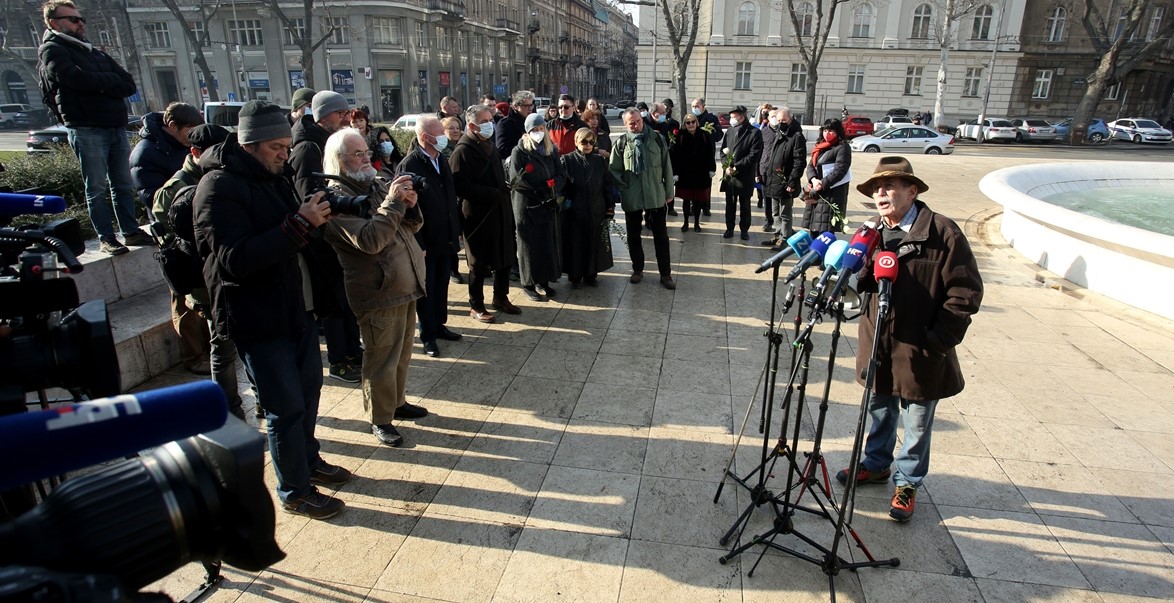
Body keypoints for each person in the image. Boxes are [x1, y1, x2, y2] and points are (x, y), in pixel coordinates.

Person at [192, 100, 352, 520]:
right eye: (277, 147)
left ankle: (309, 461)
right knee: (284, 407)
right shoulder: (218, 186)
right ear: (249, 145)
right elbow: (233, 258)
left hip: (294, 307)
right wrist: (299, 223)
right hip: (256, 317)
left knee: (309, 394)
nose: (286, 153)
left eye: (286, 145)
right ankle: (295, 491)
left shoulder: (273, 176)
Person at [837, 156, 983, 522]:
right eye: (875, 189)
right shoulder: (871, 231)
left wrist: (937, 340)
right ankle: (876, 464)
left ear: (912, 191)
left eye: (888, 187)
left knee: (917, 420)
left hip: (921, 348)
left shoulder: (943, 233)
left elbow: (965, 293)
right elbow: (863, 282)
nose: (880, 194)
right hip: (879, 343)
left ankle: (907, 482)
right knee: (880, 408)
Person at [321, 129, 429, 447]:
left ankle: (396, 403)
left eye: (367, 152)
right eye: (358, 154)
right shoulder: (334, 200)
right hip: (377, 291)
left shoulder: (376, 183)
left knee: (402, 354)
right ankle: (379, 419)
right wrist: (394, 203)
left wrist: (410, 205)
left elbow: (411, 225)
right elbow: (370, 240)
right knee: (380, 358)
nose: (367, 158)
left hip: (404, 283)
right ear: (338, 161)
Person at [39, 0, 151, 255]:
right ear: (54, 23)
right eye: (73, 19)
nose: (80, 24)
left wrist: (100, 83)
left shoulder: (93, 52)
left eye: (81, 19)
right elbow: (72, 78)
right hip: (86, 127)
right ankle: (106, 237)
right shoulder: (53, 49)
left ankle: (130, 232)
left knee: (123, 183)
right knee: (97, 187)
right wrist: (107, 84)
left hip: (114, 125)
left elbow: (127, 84)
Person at [152, 124, 247, 418]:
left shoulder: (226, 178)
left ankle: (260, 399)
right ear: (195, 153)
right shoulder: (175, 188)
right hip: (204, 280)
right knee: (222, 344)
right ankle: (228, 406)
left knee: (245, 343)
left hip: (235, 274)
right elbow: (168, 240)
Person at [289, 90, 364, 383]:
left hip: (340, 231)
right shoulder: (308, 148)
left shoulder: (330, 139)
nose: (346, 119)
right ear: (321, 115)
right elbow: (307, 194)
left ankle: (352, 349)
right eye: (339, 114)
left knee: (346, 297)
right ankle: (338, 359)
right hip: (322, 237)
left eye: (348, 113)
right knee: (333, 301)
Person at [450, 104, 520, 323]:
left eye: (491, 119)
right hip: (478, 214)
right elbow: (459, 186)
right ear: (471, 125)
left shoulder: (489, 144)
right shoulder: (463, 150)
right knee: (478, 263)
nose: (490, 125)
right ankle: (476, 305)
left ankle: (501, 297)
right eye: (484, 121)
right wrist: (491, 193)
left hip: (500, 209)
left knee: (505, 255)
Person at [400, 114, 462, 358]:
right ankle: (428, 336)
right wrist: (418, 242)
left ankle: (440, 325)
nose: (443, 136)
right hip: (424, 239)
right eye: (438, 132)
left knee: (442, 283)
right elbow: (405, 207)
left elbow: (449, 195)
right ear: (425, 137)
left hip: (445, 235)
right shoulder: (410, 164)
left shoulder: (440, 159)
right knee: (426, 288)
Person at [608, 108, 675, 290]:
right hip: (633, 198)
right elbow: (613, 170)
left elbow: (667, 168)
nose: (636, 125)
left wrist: (669, 192)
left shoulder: (657, 139)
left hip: (655, 196)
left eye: (638, 121)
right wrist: (625, 187)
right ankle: (637, 269)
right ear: (625, 124)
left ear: (642, 119)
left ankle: (665, 274)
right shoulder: (621, 143)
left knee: (661, 237)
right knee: (633, 236)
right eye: (632, 123)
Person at [508, 113, 566, 301]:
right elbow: (516, 180)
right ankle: (528, 283)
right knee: (528, 244)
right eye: (534, 130)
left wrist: (553, 186)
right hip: (527, 203)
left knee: (545, 242)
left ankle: (544, 280)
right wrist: (538, 190)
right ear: (528, 132)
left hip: (547, 203)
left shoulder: (551, 150)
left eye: (541, 129)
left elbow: (561, 173)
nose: (539, 132)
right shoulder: (520, 151)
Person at [560, 127, 615, 288]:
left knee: (594, 243)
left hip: (596, 208)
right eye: (584, 141)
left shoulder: (599, 160)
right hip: (574, 211)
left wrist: (610, 207)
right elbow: (562, 187)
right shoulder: (567, 160)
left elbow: (607, 185)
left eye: (592, 142)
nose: (588, 145)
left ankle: (591, 274)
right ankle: (575, 275)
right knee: (575, 244)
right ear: (576, 142)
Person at [130, 102, 203, 211]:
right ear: (172, 126)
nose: (194, 136)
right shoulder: (145, 154)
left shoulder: (185, 143)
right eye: (190, 130)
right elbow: (154, 199)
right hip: (173, 216)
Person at [760, 107, 806, 246]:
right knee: (775, 212)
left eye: (783, 120)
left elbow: (799, 162)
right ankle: (778, 233)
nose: (780, 123)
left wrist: (792, 182)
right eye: (779, 120)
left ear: (791, 119)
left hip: (786, 181)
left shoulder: (796, 136)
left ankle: (785, 238)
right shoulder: (779, 134)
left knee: (785, 212)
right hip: (773, 179)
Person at [719, 105, 763, 241]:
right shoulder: (730, 131)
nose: (731, 119)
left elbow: (754, 154)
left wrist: (736, 167)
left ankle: (744, 230)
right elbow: (723, 151)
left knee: (745, 205)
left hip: (744, 175)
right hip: (730, 175)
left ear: (741, 117)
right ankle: (729, 228)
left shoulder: (754, 133)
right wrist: (726, 165)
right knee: (730, 204)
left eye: (733, 117)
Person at [801, 118, 852, 234]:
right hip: (815, 190)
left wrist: (822, 184)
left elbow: (840, 170)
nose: (827, 134)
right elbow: (811, 166)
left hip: (831, 193)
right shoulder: (820, 146)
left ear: (838, 132)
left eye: (831, 131)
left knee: (825, 230)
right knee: (814, 228)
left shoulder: (842, 147)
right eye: (825, 131)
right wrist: (814, 180)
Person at [670, 111, 716, 232]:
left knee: (698, 201)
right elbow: (674, 156)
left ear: (696, 122)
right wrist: (674, 173)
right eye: (688, 122)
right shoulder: (680, 136)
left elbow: (710, 153)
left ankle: (696, 223)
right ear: (684, 124)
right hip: (685, 174)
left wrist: (712, 169)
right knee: (686, 200)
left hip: (701, 174)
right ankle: (685, 222)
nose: (691, 124)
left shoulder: (704, 135)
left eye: (693, 122)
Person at [690, 98, 722, 217]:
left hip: (706, 156)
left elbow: (719, 135)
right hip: (692, 157)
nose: (694, 108)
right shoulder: (690, 119)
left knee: (706, 183)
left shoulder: (711, 119)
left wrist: (708, 133)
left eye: (697, 106)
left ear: (703, 106)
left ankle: (706, 206)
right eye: (693, 106)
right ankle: (693, 206)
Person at [496, 90, 534, 158]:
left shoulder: (533, 121)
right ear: (516, 106)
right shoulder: (505, 124)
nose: (530, 108)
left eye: (531, 105)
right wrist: (527, 148)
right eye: (526, 105)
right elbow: (502, 150)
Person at [753, 103, 775, 214]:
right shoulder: (758, 125)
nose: (765, 114)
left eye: (767, 112)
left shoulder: (773, 125)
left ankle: (766, 201)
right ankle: (760, 197)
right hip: (760, 158)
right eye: (764, 112)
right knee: (758, 180)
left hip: (770, 159)